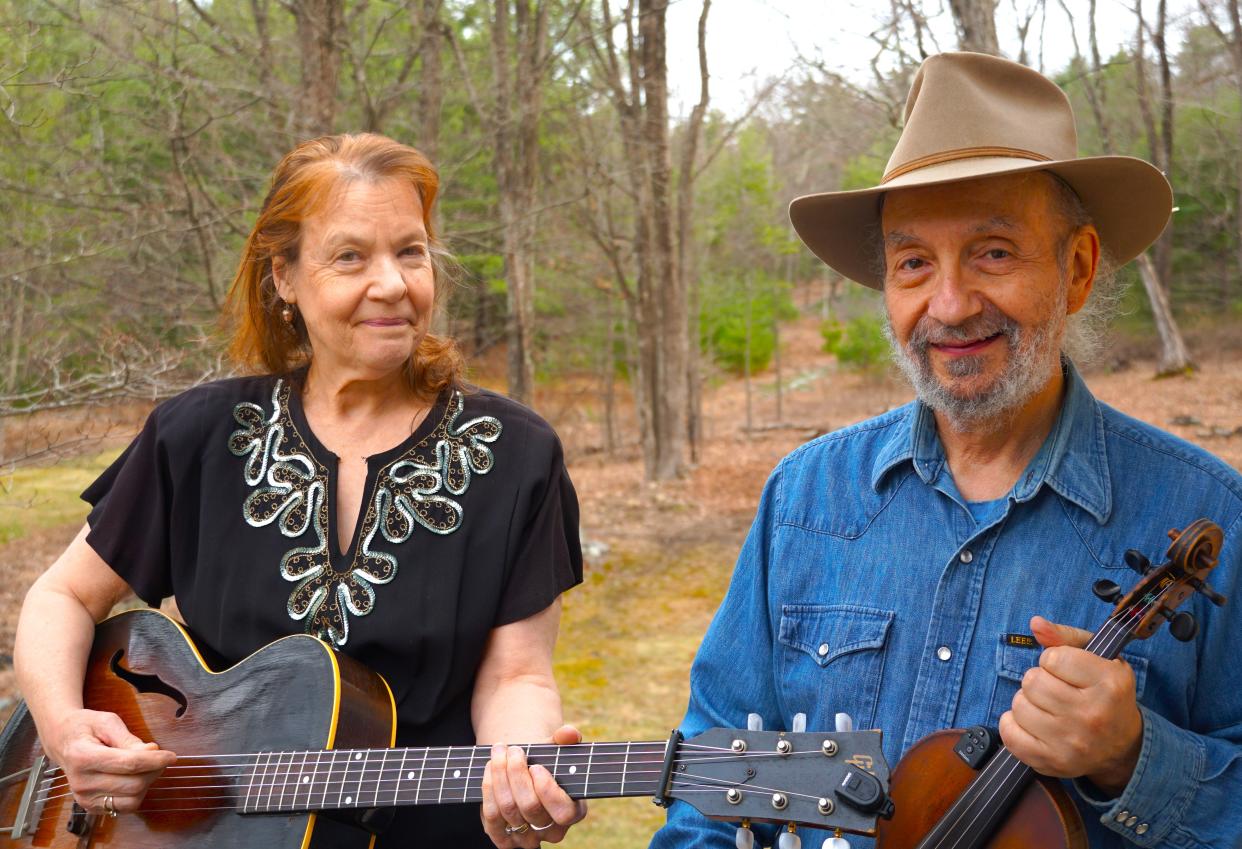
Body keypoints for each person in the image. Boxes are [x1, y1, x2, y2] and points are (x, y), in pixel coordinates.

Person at [650, 52, 1241, 849]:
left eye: (994, 250)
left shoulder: (1209, 516)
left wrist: (1134, 756)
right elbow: (711, 788)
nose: (951, 304)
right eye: (914, 263)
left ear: (1076, 269)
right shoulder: (805, 497)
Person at [14, 133, 586, 849]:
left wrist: (519, 772)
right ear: (283, 276)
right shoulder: (198, 436)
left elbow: (517, 676)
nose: (393, 283)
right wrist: (67, 727)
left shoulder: (517, 453)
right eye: (351, 256)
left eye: (410, 251)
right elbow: (60, 597)